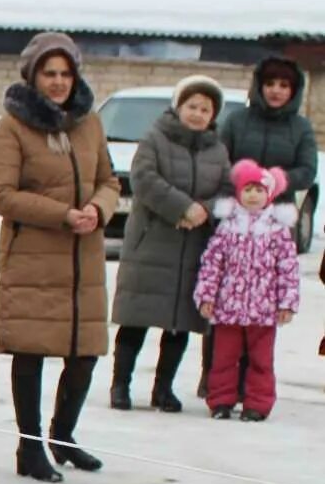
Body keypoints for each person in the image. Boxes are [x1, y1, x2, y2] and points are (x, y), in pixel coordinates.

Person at [0, 32, 119, 484]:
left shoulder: (89, 123)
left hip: (84, 259)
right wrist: (62, 215)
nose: (59, 82)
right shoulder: (13, 126)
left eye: (65, 73)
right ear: (33, 76)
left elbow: (109, 180)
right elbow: (0, 194)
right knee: (33, 352)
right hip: (33, 259)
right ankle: (30, 446)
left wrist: (98, 209)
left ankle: (63, 438)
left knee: (85, 353)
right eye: (50, 73)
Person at [108, 76, 231, 412]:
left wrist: (203, 211)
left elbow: (227, 190)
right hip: (152, 242)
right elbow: (144, 179)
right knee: (136, 317)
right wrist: (181, 207)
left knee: (179, 323)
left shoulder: (217, 150)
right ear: (179, 107)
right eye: (192, 106)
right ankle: (120, 385)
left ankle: (163, 388)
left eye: (205, 109)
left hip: (193, 246)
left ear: (212, 115)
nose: (197, 113)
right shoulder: (155, 138)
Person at [201, 57, 316, 396]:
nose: (276, 91)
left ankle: (253, 385)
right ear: (259, 87)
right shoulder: (237, 121)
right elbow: (221, 160)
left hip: (275, 222)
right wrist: (238, 185)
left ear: (293, 91)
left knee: (262, 304)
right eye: (271, 84)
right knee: (226, 301)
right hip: (234, 217)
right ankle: (216, 380)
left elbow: (308, 169)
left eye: (284, 86)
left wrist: (277, 181)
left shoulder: (301, 128)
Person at [195, 161, 302, 421]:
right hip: (228, 307)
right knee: (223, 359)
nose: (253, 195)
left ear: (269, 195)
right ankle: (220, 401)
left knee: (261, 361)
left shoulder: (278, 231)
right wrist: (206, 295)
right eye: (248, 189)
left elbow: (288, 269)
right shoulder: (228, 227)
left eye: (259, 190)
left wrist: (287, 303)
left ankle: (258, 404)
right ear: (239, 193)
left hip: (264, 311)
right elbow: (212, 264)